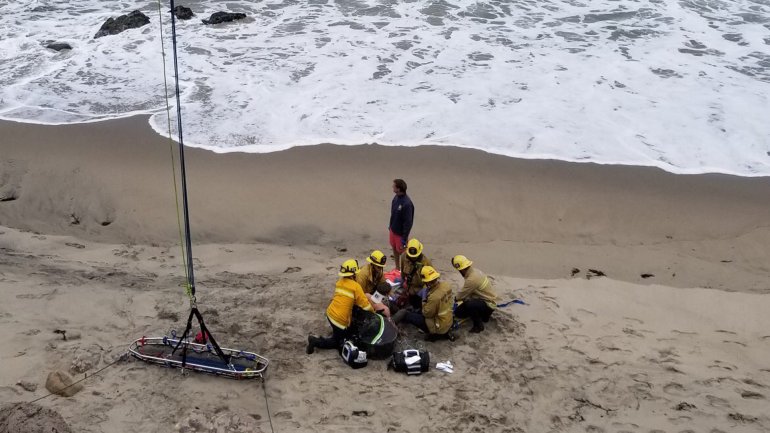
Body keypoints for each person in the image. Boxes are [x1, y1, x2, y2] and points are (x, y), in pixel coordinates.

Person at [306, 259, 374, 354]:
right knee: (337, 342)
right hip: (339, 321)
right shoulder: (356, 286)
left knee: (341, 332)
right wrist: (374, 312)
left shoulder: (339, 282)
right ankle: (315, 341)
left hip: (330, 313)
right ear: (352, 274)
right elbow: (365, 305)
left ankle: (336, 333)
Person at [392, 266, 454, 341]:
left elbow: (426, 313)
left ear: (427, 281)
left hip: (438, 327)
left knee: (406, 314)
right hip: (447, 320)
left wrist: (424, 300)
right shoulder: (446, 285)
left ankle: (434, 335)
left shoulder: (434, 297)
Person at [451, 255, 499, 333]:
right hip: (486, 300)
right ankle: (484, 317)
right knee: (463, 309)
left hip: (488, 305)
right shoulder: (475, 271)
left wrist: (456, 300)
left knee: (466, 307)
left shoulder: (472, 279)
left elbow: (460, 296)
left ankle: (478, 326)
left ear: (462, 269)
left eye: (459, 270)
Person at [356, 250, 391, 317]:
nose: (380, 269)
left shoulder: (378, 271)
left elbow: (384, 283)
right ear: (373, 265)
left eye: (381, 267)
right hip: (363, 296)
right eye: (378, 267)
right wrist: (373, 304)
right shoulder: (362, 275)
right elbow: (359, 295)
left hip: (370, 293)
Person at [399, 238, 432, 309]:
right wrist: (402, 282)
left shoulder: (426, 262)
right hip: (409, 288)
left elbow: (431, 279)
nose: (412, 258)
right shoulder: (403, 257)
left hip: (420, 289)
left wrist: (425, 292)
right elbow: (402, 273)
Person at [389, 179, 414, 266]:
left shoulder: (407, 204)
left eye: (394, 186)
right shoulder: (395, 198)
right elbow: (392, 213)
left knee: (403, 254)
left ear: (398, 189)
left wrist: (404, 237)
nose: (392, 187)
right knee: (394, 249)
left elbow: (408, 222)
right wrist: (390, 226)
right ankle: (397, 268)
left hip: (400, 234)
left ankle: (405, 270)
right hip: (393, 230)